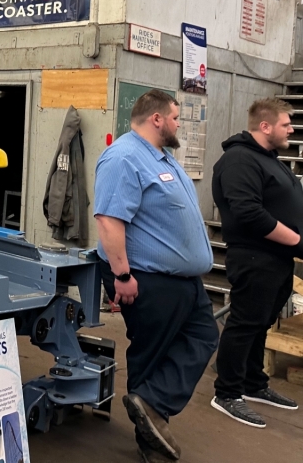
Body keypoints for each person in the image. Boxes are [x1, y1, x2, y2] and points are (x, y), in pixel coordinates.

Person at [94, 89, 218, 463]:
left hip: (184, 281)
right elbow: (109, 221)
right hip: (146, 277)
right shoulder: (124, 157)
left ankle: (152, 402)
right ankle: (150, 444)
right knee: (151, 353)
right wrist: (122, 276)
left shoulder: (162, 157)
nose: (180, 124)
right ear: (157, 119)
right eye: (176, 118)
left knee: (203, 335)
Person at [211, 98, 303, 426]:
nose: (291, 129)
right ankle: (227, 393)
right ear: (265, 126)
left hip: (277, 259)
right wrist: (298, 242)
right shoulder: (239, 159)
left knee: (261, 323)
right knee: (245, 323)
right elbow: (249, 213)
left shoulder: (269, 159)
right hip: (254, 257)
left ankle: (253, 383)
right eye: (285, 124)